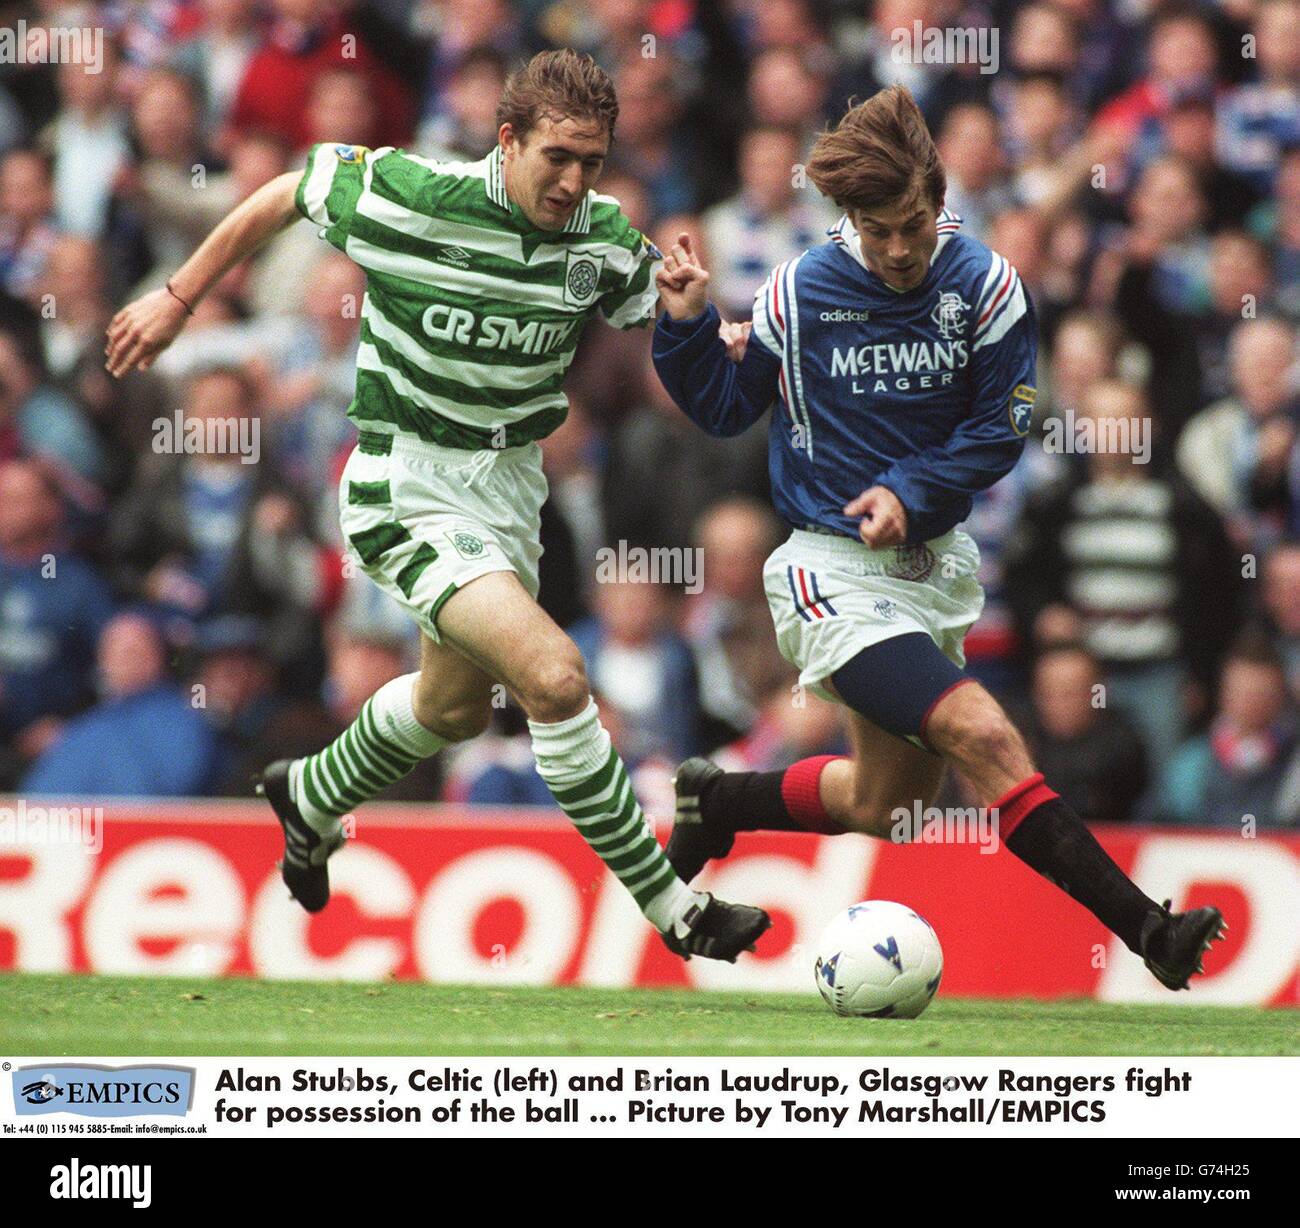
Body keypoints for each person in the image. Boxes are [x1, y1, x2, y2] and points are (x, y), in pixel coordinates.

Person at [104, 48, 768, 964]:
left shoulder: (605, 237)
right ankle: (674, 908)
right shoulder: (411, 192)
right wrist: (178, 297)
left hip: (508, 492)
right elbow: (288, 192)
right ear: (507, 140)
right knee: (556, 676)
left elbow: (673, 322)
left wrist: (702, 317)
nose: (575, 181)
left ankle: (311, 795)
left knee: (453, 711)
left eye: (592, 161)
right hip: (405, 480)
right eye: (557, 158)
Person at [651, 85, 1224, 991]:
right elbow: (724, 408)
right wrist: (683, 326)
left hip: (930, 568)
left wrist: (908, 493)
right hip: (828, 567)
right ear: (848, 217)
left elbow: (1002, 426)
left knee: (886, 806)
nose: (896, 248)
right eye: (875, 229)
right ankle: (1150, 930)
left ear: (937, 196)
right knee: (980, 730)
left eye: (911, 223)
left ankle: (719, 799)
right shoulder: (801, 290)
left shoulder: (988, 287)